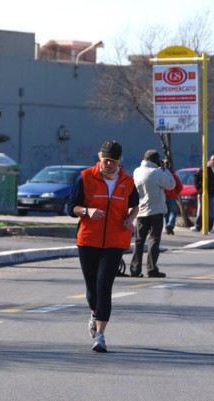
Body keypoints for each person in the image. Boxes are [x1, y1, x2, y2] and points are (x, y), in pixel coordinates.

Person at [67, 140, 139, 353]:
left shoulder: (127, 181)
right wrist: (87, 211)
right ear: (99, 157)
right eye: (105, 160)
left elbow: (136, 205)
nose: (108, 164)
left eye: (113, 162)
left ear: (119, 162)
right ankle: (93, 313)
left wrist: (130, 219)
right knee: (92, 289)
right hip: (88, 239)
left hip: (116, 240)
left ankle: (100, 335)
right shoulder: (86, 177)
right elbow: (71, 207)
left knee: (104, 286)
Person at [129, 149, 175, 278]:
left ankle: (135, 269)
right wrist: (165, 169)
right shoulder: (157, 172)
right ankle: (152, 269)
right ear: (156, 161)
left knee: (139, 241)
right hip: (156, 211)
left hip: (141, 211)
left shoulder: (136, 171)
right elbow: (171, 185)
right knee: (154, 240)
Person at [191, 154, 214, 233]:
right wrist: (199, 188)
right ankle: (198, 226)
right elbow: (196, 178)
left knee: (212, 212)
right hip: (203, 193)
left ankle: (210, 228)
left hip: (213, 194)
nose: (213, 161)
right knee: (200, 210)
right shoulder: (205, 169)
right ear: (210, 161)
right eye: (212, 160)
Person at [164, 161, 183, 235]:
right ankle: (170, 224)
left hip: (163, 196)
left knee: (166, 213)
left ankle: (167, 226)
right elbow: (180, 186)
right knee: (173, 212)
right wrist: (176, 192)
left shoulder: (161, 175)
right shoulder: (173, 176)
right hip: (172, 196)